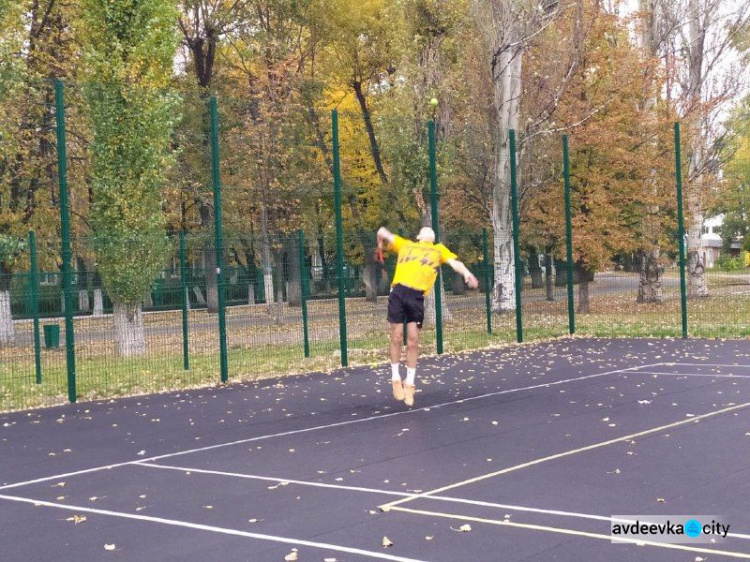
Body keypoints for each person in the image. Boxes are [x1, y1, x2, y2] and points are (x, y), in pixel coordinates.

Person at [376, 226, 479, 407]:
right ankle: (395, 379)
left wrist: (467, 274)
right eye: (425, 229)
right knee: (396, 336)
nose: (428, 230)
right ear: (419, 236)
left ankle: (410, 384)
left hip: (417, 296)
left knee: (413, 340)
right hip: (399, 291)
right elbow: (384, 232)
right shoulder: (405, 244)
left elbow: (456, 264)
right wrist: (381, 237)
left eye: (431, 230)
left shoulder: (438, 250)